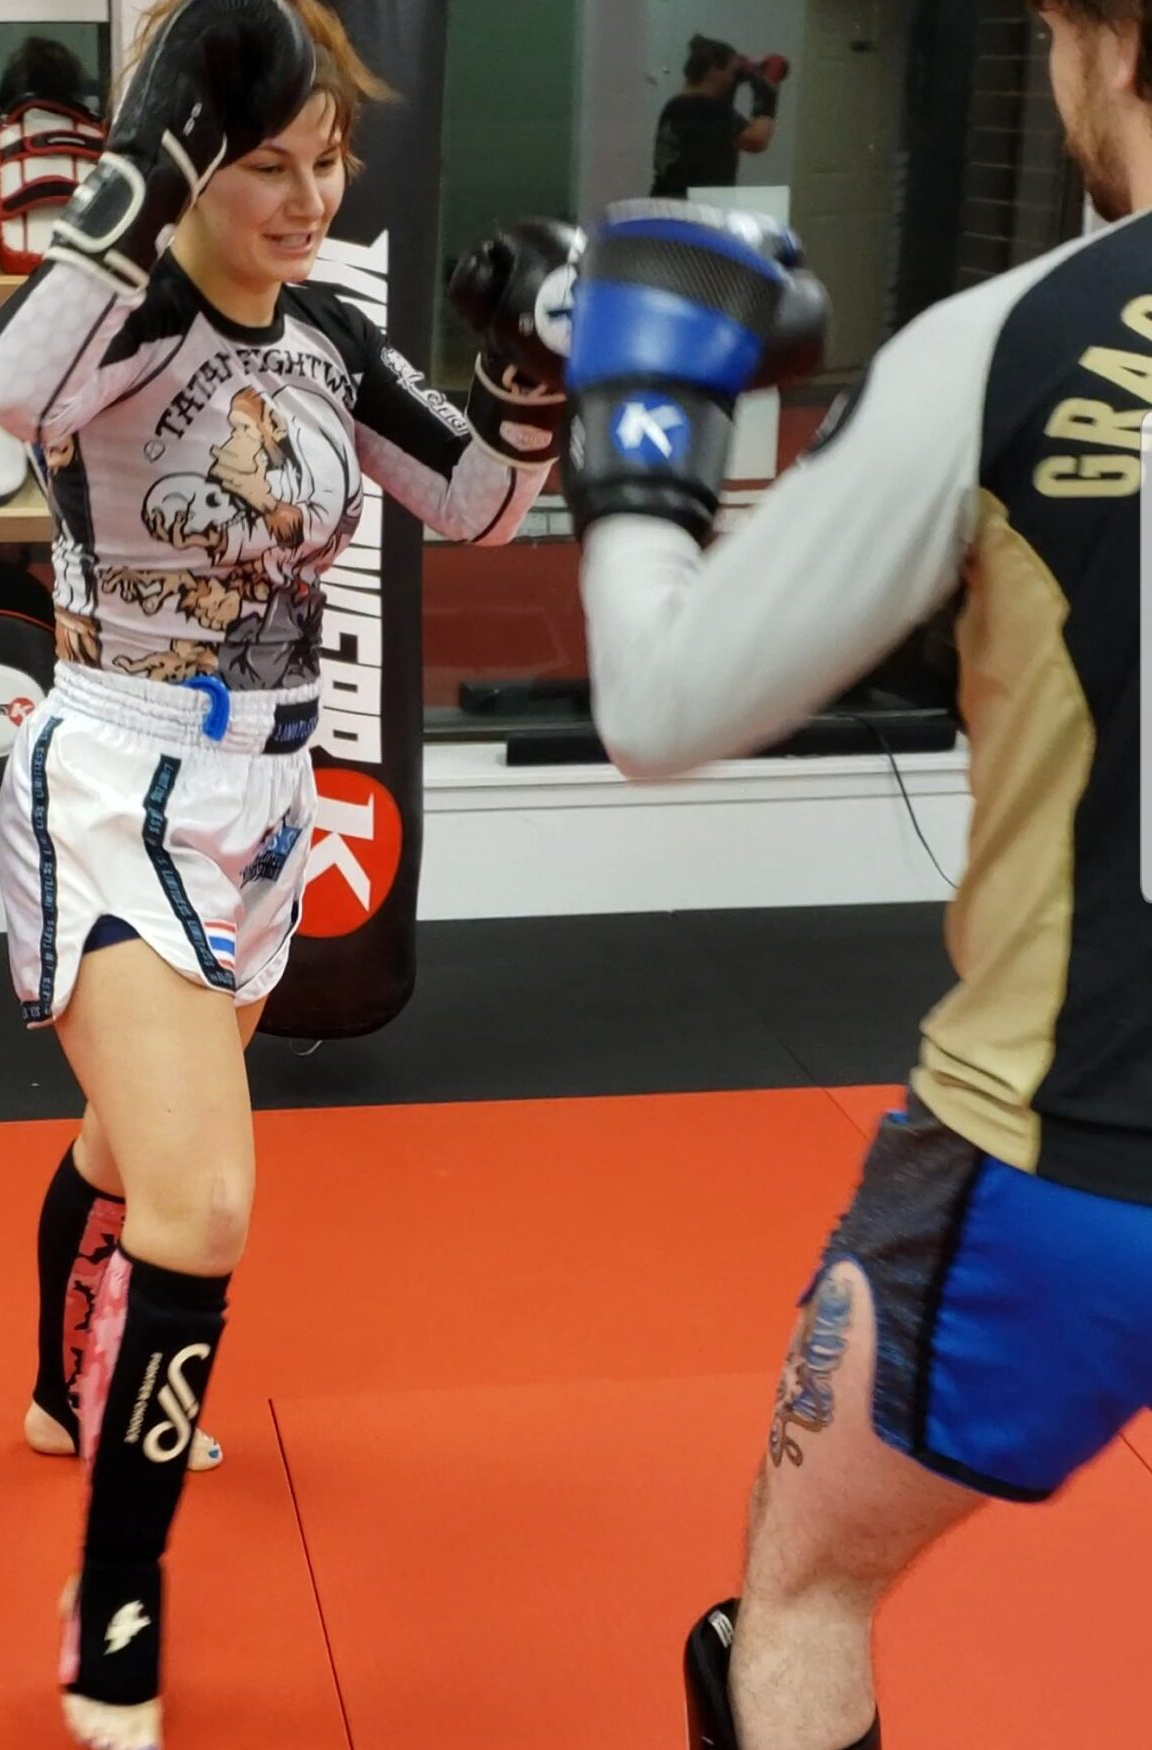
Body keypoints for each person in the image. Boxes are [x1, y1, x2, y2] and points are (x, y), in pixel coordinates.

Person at [0, 2, 578, 1745]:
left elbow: (467, 507)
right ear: (183, 159)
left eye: (333, 161)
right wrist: (134, 157)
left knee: (130, 1152)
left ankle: (47, 1385)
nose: (313, 197)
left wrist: (525, 385)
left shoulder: (324, 335)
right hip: (113, 788)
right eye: (267, 163)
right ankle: (118, 1605)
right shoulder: (121, 323)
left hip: (265, 802)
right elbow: (10, 391)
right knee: (210, 1206)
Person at [562, 2, 1152, 1745]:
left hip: (1064, 1169)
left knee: (805, 1589)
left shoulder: (1016, 342)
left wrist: (636, 430)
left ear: (1115, 43)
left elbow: (662, 706)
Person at [650, 35, 789, 199]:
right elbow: (757, 140)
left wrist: (740, 78)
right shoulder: (707, 110)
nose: (733, 78)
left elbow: (723, 120)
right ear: (713, 70)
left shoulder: (676, 106)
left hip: (666, 202)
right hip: (695, 211)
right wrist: (767, 93)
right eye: (731, 71)